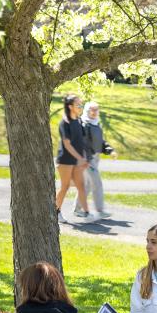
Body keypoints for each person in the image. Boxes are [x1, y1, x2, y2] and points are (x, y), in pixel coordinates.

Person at [55, 94, 99, 224]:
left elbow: (82, 142)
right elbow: (67, 144)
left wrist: (85, 158)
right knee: (65, 187)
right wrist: (80, 158)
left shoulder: (79, 121)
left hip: (77, 161)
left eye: (81, 104)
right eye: (78, 105)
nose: (80, 107)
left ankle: (86, 213)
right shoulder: (65, 123)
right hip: (65, 160)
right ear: (70, 107)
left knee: (81, 186)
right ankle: (55, 212)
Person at [76, 101, 117, 219]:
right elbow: (83, 144)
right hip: (87, 158)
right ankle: (100, 210)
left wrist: (110, 150)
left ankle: (77, 209)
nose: (94, 112)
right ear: (87, 111)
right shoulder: (84, 124)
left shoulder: (97, 124)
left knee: (88, 185)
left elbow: (101, 141)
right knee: (97, 183)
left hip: (95, 158)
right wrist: (87, 159)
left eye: (96, 110)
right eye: (92, 110)